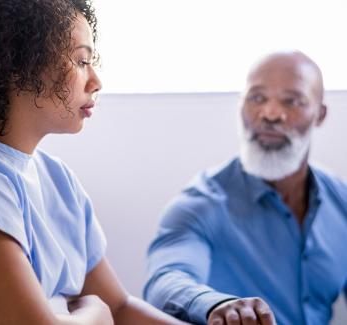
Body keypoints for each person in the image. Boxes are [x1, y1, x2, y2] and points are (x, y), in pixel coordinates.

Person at [0, 1, 191, 324]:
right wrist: (96, 314)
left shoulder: (58, 179)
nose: (95, 81)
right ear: (17, 61)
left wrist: (92, 311)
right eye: (82, 60)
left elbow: (120, 308)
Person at [144, 50, 347, 325]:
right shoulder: (201, 204)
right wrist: (218, 305)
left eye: (292, 101)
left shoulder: (341, 200)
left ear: (319, 115)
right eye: (257, 98)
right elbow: (165, 281)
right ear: (241, 107)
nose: (271, 114)